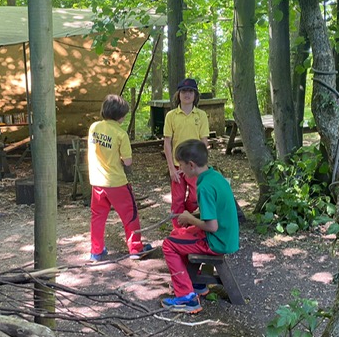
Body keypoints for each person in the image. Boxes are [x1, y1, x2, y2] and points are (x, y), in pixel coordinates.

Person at [161, 139, 240, 313]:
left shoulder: (204, 187)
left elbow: (212, 226)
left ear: (191, 165)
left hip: (217, 241)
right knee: (181, 233)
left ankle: (186, 298)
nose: (179, 169)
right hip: (227, 237)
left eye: (180, 165)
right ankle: (196, 282)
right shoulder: (214, 176)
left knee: (168, 244)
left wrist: (189, 218)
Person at [87, 94, 153, 261]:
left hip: (96, 181)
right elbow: (128, 161)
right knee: (130, 214)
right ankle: (135, 248)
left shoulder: (94, 127)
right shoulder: (120, 133)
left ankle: (96, 251)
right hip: (116, 182)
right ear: (122, 115)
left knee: (98, 217)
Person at [163, 78, 210, 228]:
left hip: (195, 166)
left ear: (195, 95)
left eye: (191, 91)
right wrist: (171, 168)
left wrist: (203, 166)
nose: (187, 94)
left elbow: (204, 142)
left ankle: (185, 217)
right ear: (178, 94)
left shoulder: (201, 115)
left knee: (197, 196)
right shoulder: (171, 115)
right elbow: (167, 143)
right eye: (184, 91)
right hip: (178, 166)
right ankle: (178, 231)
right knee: (177, 199)